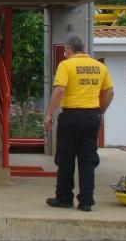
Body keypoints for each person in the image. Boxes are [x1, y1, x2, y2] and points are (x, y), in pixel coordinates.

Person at [43, 36, 114, 212]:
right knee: (88, 160)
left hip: (71, 117)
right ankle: (87, 201)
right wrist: (100, 112)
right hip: (92, 116)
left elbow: (60, 90)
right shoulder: (100, 67)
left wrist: (49, 114)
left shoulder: (66, 65)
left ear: (68, 50)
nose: (65, 54)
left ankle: (64, 198)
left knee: (66, 158)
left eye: (66, 52)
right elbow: (110, 92)